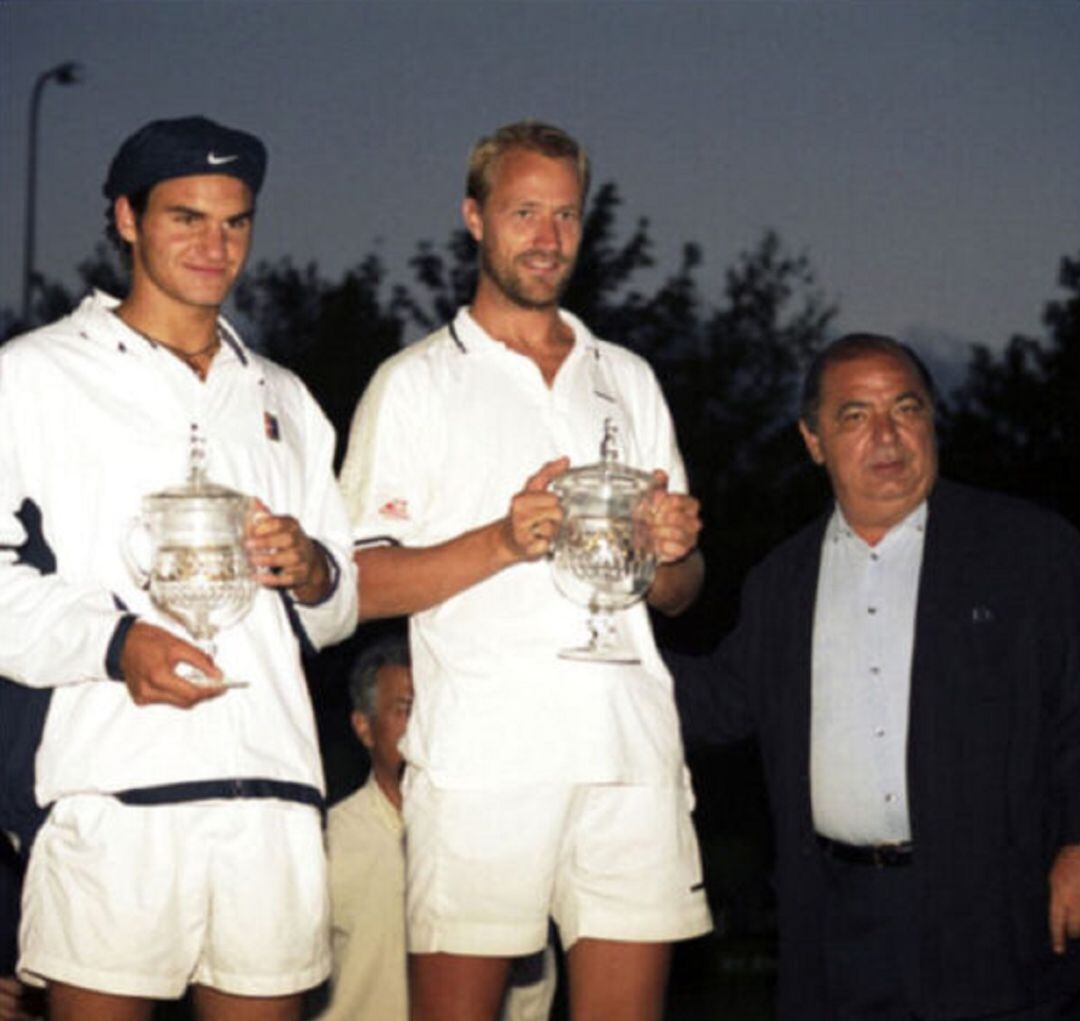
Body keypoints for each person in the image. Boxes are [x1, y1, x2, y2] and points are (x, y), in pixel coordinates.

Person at [338, 120, 711, 1021]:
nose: (547, 238)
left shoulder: (626, 377)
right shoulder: (416, 382)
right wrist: (502, 542)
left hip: (630, 749)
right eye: (523, 212)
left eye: (567, 216)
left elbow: (681, 591)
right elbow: (356, 586)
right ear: (475, 218)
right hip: (483, 760)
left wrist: (670, 549)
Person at [0, 116, 357, 1021]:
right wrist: (116, 643)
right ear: (126, 218)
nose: (214, 244)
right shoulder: (34, 376)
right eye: (186, 217)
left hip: (273, 796)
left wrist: (311, 569)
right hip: (116, 795)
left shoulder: (284, 395)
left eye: (235, 222)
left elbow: (337, 602)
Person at [673, 333, 1080, 1018]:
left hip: (995, 917)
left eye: (906, 408)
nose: (887, 435)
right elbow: (711, 701)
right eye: (855, 416)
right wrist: (559, 647)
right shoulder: (782, 582)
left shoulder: (1028, 550)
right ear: (813, 440)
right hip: (834, 926)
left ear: (931, 421)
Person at [320, 636, 555, 1021]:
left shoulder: (507, 835)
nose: (427, 725)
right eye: (408, 709)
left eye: (438, 706)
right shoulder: (327, 845)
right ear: (364, 727)